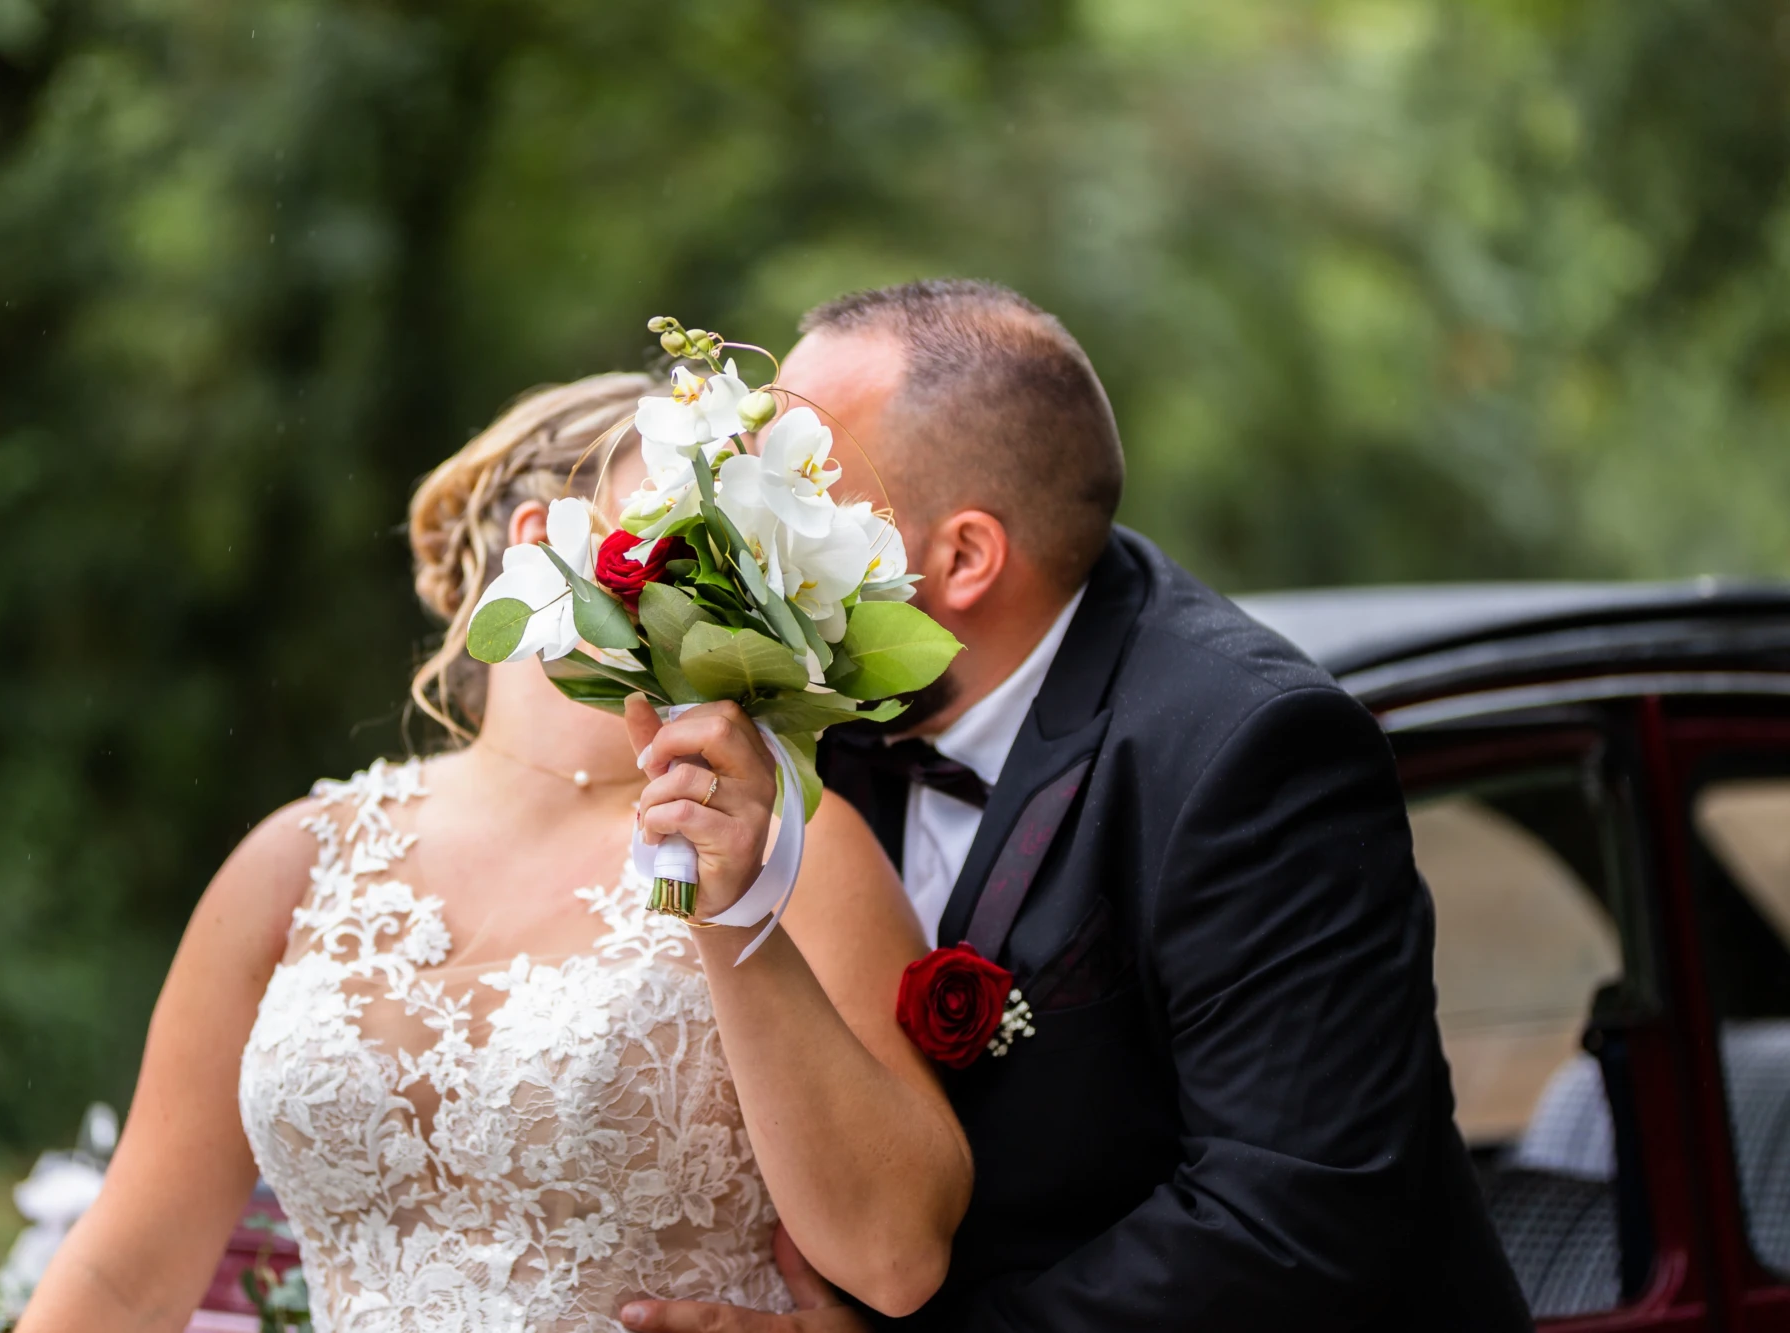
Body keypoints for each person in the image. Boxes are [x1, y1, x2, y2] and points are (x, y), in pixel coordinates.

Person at [619, 281, 1533, 1331]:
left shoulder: (1251, 753)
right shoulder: (801, 708)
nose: (750, 540)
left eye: (799, 499)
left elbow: (1286, 1223)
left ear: (963, 556)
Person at [14, 373, 972, 1333]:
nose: (739, 586)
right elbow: (126, 1275)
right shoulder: (298, 858)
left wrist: (733, 908)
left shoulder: (794, 842)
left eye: (756, 555)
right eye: (697, 538)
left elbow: (896, 1258)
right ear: (540, 547)